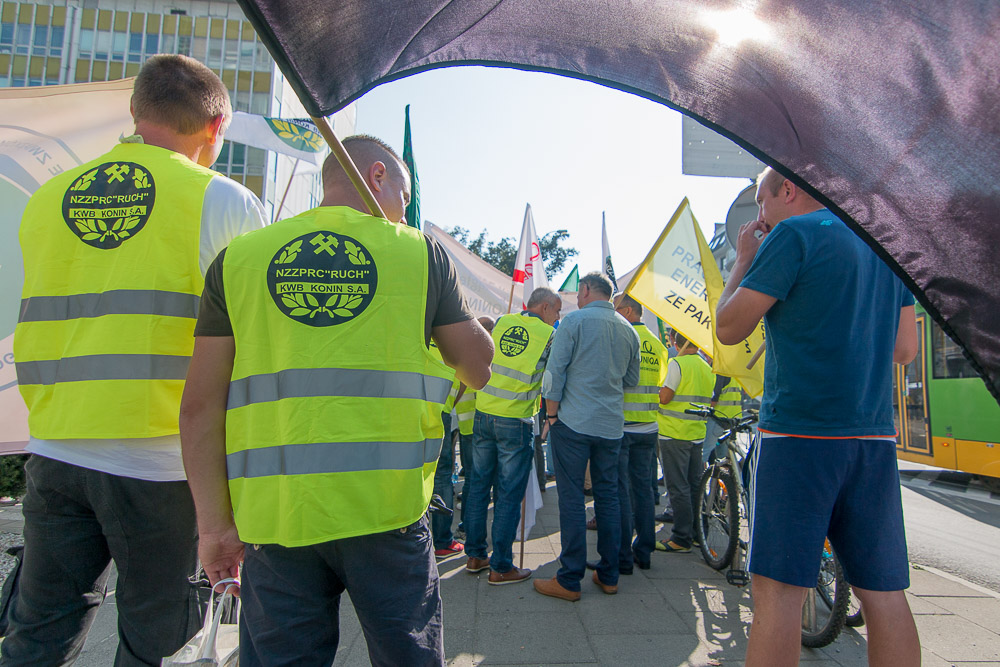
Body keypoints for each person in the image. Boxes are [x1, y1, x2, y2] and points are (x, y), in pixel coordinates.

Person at [179, 135, 494, 666]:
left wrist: (213, 527)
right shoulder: (418, 253)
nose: (406, 208)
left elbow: (199, 408)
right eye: (405, 191)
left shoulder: (240, 259)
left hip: (276, 519)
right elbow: (477, 369)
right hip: (385, 510)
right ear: (377, 176)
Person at [4, 55, 265, 667]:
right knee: (160, 642)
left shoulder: (48, 199)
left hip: (58, 446)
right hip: (163, 461)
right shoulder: (223, 201)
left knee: (37, 631)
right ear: (217, 124)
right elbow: (252, 344)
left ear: (135, 112)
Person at [716, 166, 919, 667]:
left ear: (788, 190)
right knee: (883, 594)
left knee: (779, 595)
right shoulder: (883, 246)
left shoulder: (793, 235)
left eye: (761, 202)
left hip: (798, 436)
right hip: (872, 440)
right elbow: (905, 349)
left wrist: (744, 260)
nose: (759, 216)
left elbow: (728, 327)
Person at [533, 272, 640, 601]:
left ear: (586, 289)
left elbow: (554, 373)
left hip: (573, 423)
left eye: (578, 293)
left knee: (571, 499)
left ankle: (569, 578)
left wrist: (551, 415)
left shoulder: (574, 322)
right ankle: (608, 575)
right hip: (610, 426)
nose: (576, 299)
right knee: (608, 498)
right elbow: (631, 380)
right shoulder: (628, 329)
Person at [464, 287, 561, 585]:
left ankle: (475, 554)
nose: (558, 318)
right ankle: (501, 566)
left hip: (483, 414)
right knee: (507, 494)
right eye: (556, 311)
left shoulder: (503, 321)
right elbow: (552, 380)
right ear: (544, 307)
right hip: (515, 420)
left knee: (479, 486)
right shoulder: (549, 335)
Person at [605, 293, 667, 571]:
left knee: (620, 492)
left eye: (616, 309)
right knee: (643, 490)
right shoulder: (658, 343)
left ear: (628, 311)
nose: (614, 314)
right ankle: (644, 551)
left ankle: (622, 556)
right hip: (649, 426)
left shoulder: (622, 336)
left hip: (623, 426)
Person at [654, 330, 714, 554]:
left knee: (678, 487)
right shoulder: (706, 366)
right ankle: (700, 535)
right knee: (696, 486)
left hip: (674, 433)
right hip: (696, 433)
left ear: (674, 341)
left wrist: (658, 392)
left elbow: (666, 397)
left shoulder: (677, 364)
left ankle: (680, 538)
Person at [454, 316, 495, 538]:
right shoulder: (490, 352)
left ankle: (466, 526)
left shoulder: (471, 351)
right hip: (481, 424)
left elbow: (461, 383)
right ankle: (467, 526)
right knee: (477, 479)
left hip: (469, 425)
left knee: (473, 478)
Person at [429, 342, 464, 558]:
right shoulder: (452, 338)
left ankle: (407, 537)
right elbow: (465, 382)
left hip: (408, 407)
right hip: (440, 410)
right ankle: (442, 541)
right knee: (441, 475)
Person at [702, 374, 742, 462]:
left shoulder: (721, 373)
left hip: (718, 418)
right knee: (725, 456)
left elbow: (713, 401)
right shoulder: (735, 373)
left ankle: (699, 475)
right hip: (733, 419)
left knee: (704, 452)